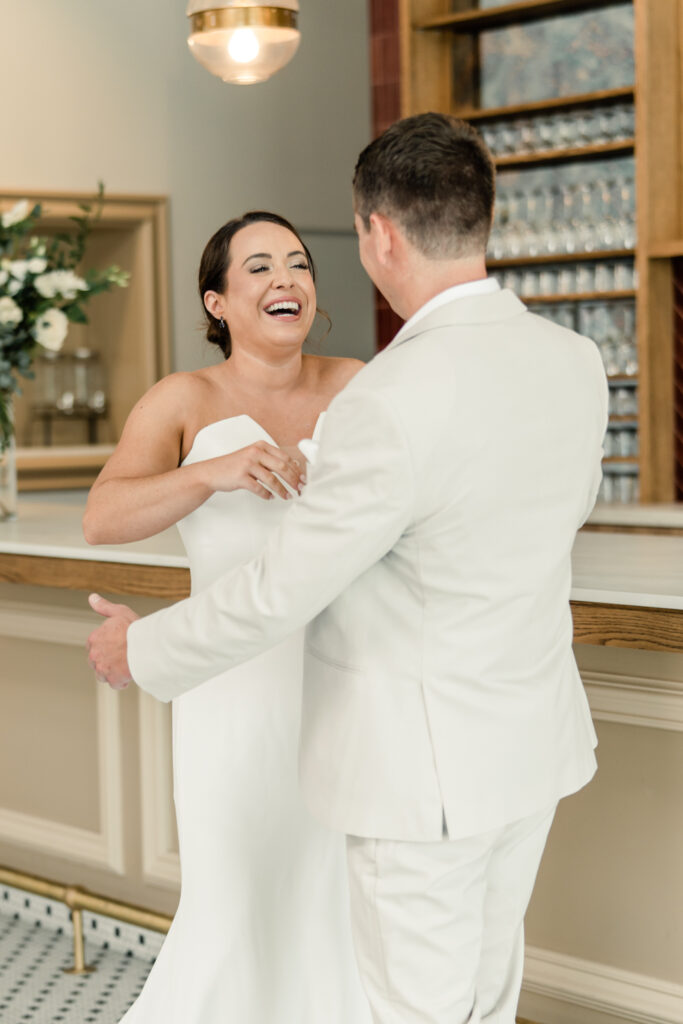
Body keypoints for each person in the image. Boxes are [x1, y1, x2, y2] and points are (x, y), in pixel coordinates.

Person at [88, 113, 608, 1024]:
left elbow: (286, 584)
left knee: (412, 1009)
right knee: (484, 1000)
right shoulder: (574, 362)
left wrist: (146, 650)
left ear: (377, 234)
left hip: (422, 775)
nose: (287, 278)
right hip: (528, 749)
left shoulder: (385, 394)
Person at [83, 210, 371, 1024]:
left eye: (298, 263)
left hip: (346, 678)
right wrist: (210, 471)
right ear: (217, 301)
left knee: (336, 896)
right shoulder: (184, 398)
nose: (286, 280)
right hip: (229, 690)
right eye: (258, 268)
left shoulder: (358, 385)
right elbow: (103, 517)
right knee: (236, 891)